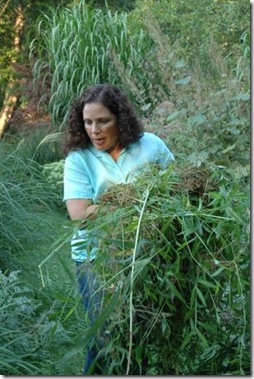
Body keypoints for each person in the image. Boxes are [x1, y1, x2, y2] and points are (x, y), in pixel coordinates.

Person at [63, 83, 175, 374]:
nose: (94, 130)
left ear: (120, 119)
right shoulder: (79, 158)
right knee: (105, 333)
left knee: (139, 329)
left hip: (145, 252)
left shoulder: (151, 145)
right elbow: (80, 216)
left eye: (103, 121)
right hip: (95, 256)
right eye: (88, 122)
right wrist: (133, 202)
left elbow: (177, 188)